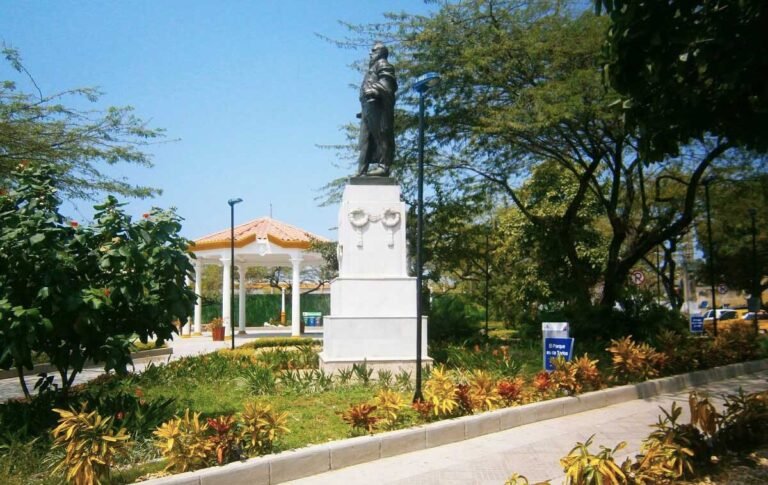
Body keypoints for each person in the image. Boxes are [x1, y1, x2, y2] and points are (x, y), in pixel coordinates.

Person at [357, 42, 397, 177]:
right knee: (365, 140)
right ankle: (362, 170)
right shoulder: (372, 68)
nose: (370, 53)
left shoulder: (383, 64)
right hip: (367, 108)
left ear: (381, 52)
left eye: (374, 50)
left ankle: (384, 166)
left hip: (378, 107)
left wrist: (374, 91)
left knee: (381, 136)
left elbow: (388, 84)